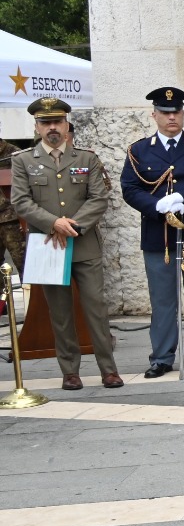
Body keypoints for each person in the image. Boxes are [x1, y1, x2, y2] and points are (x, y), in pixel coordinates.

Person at [8, 97, 123, 389]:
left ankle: (108, 370)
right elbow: (21, 201)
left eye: (57, 122)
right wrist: (53, 223)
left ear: (66, 124)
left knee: (96, 308)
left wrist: (72, 225)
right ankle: (70, 372)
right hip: (48, 246)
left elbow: (98, 198)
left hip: (84, 245)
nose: (52, 128)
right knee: (59, 313)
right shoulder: (23, 161)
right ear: (37, 127)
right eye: (45, 123)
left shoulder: (86, 159)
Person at [119, 86, 184, 376]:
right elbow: (129, 188)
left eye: (176, 112)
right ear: (154, 115)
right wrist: (156, 205)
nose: (171, 117)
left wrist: (183, 198)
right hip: (158, 234)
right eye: (165, 112)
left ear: (183, 114)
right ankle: (162, 357)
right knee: (163, 300)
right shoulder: (139, 150)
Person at [0, 137, 27, 293]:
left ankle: (31, 304)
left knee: (24, 265)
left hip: (12, 219)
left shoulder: (14, 154)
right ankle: (2, 304)